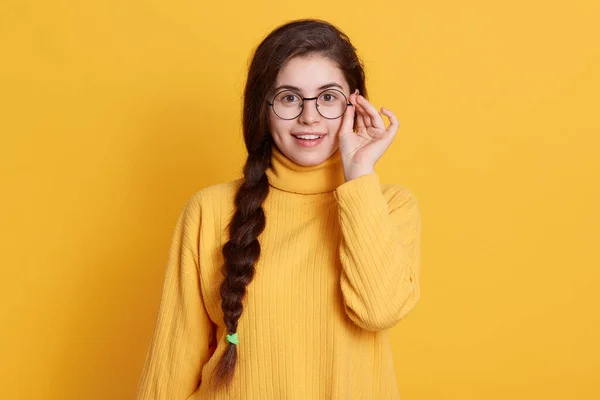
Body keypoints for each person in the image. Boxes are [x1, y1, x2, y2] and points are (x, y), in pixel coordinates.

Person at [135, 18, 421, 399]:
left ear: (356, 105)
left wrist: (359, 176)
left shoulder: (389, 206)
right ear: (263, 108)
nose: (309, 116)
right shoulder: (209, 211)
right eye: (289, 97)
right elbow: (170, 368)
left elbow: (378, 311)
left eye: (328, 97)